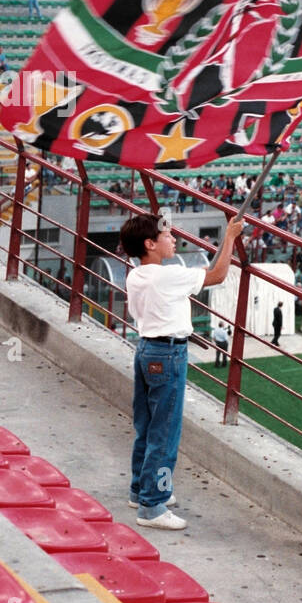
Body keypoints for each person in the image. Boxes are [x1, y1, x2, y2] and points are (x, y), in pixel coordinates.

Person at [121, 211, 244, 530]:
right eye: (166, 236)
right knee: (165, 431)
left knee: (147, 425)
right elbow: (217, 275)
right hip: (169, 353)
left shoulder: (136, 275)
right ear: (150, 244)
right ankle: (153, 505)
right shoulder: (168, 275)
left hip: (147, 348)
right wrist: (229, 237)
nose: (173, 239)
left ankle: (140, 489)